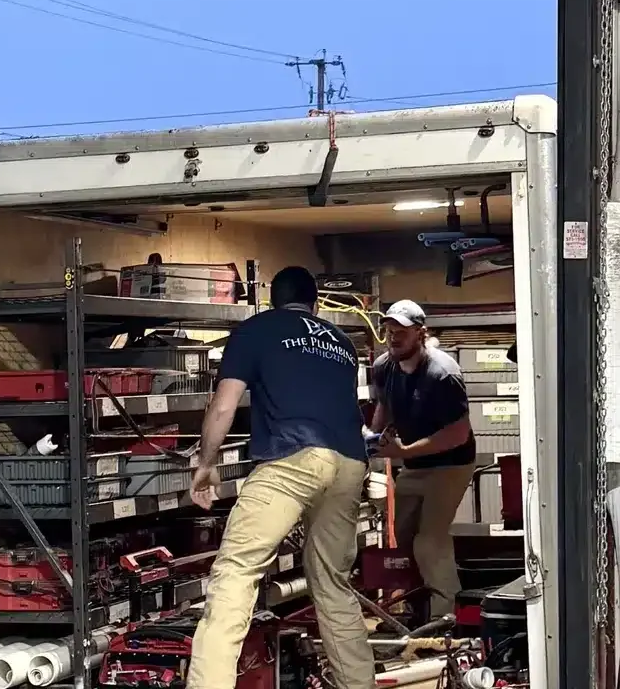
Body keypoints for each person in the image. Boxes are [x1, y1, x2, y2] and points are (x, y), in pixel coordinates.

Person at [185, 266, 375, 689]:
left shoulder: (256, 330)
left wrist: (205, 464)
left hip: (292, 459)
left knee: (236, 572)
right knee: (332, 582)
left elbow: (223, 406)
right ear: (315, 305)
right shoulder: (342, 343)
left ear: (273, 301)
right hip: (349, 463)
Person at [370, 300, 476, 619]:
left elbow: (458, 434)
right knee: (404, 539)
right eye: (389, 331)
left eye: (401, 332)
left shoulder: (442, 374)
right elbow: (384, 406)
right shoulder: (384, 366)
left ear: (421, 333)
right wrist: (373, 439)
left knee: (429, 541)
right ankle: (418, 614)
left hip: (451, 464)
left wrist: (404, 452)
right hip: (414, 465)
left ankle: (446, 619)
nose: (393, 337)